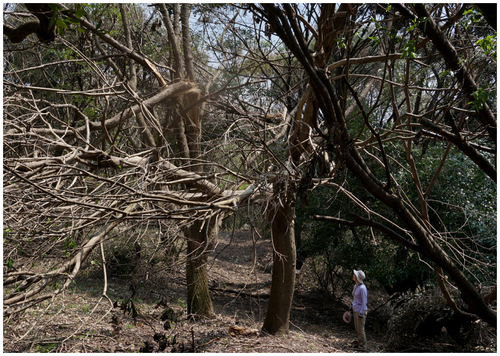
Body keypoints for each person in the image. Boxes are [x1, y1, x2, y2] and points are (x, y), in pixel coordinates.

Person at [350, 269, 367, 350]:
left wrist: (361, 313)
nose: (353, 275)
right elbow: (355, 299)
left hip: (360, 311)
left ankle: (363, 346)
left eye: (355, 274)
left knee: (360, 329)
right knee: (357, 328)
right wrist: (351, 306)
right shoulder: (356, 286)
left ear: (356, 277)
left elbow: (364, 302)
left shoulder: (362, 288)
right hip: (355, 310)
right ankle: (360, 343)